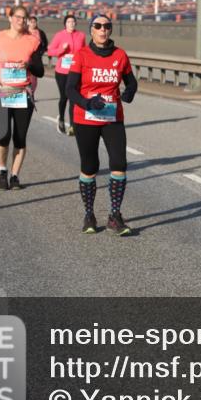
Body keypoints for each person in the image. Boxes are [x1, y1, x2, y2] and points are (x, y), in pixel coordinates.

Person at [66, 14, 138, 235]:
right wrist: (87, 102)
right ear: (91, 30)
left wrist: (129, 92)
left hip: (112, 117)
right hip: (86, 117)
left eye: (107, 26)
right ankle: (89, 214)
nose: (102, 29)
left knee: (120, 163)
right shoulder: (82, 55)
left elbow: (131, 80)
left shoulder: (120, 55)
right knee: (90, 167)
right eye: (97, 26)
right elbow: (70, 89)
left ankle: (115, 216)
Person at [0, 5, 45, 190]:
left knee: (19, 137)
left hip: (22, 93)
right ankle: (2, 170)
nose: (21, 21)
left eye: (24, 18)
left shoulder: (32, 41)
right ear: (10, 18)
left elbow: (40, 71)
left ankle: (15, 175)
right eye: (18, 17)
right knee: (3, 134)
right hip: (1, 91)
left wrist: (29, 65)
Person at [47, 14, 86, 135]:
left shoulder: (81, 35)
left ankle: (73, 126)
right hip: (62, 71)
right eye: (69, 22)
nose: (71, 23)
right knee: (64, 97)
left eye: (73, 21)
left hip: (75, 71)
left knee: (73, 98)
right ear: (65, 24)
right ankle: (61, 119)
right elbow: (50, 50)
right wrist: (61, 50)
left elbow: (84, 51)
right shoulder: (59, 35)